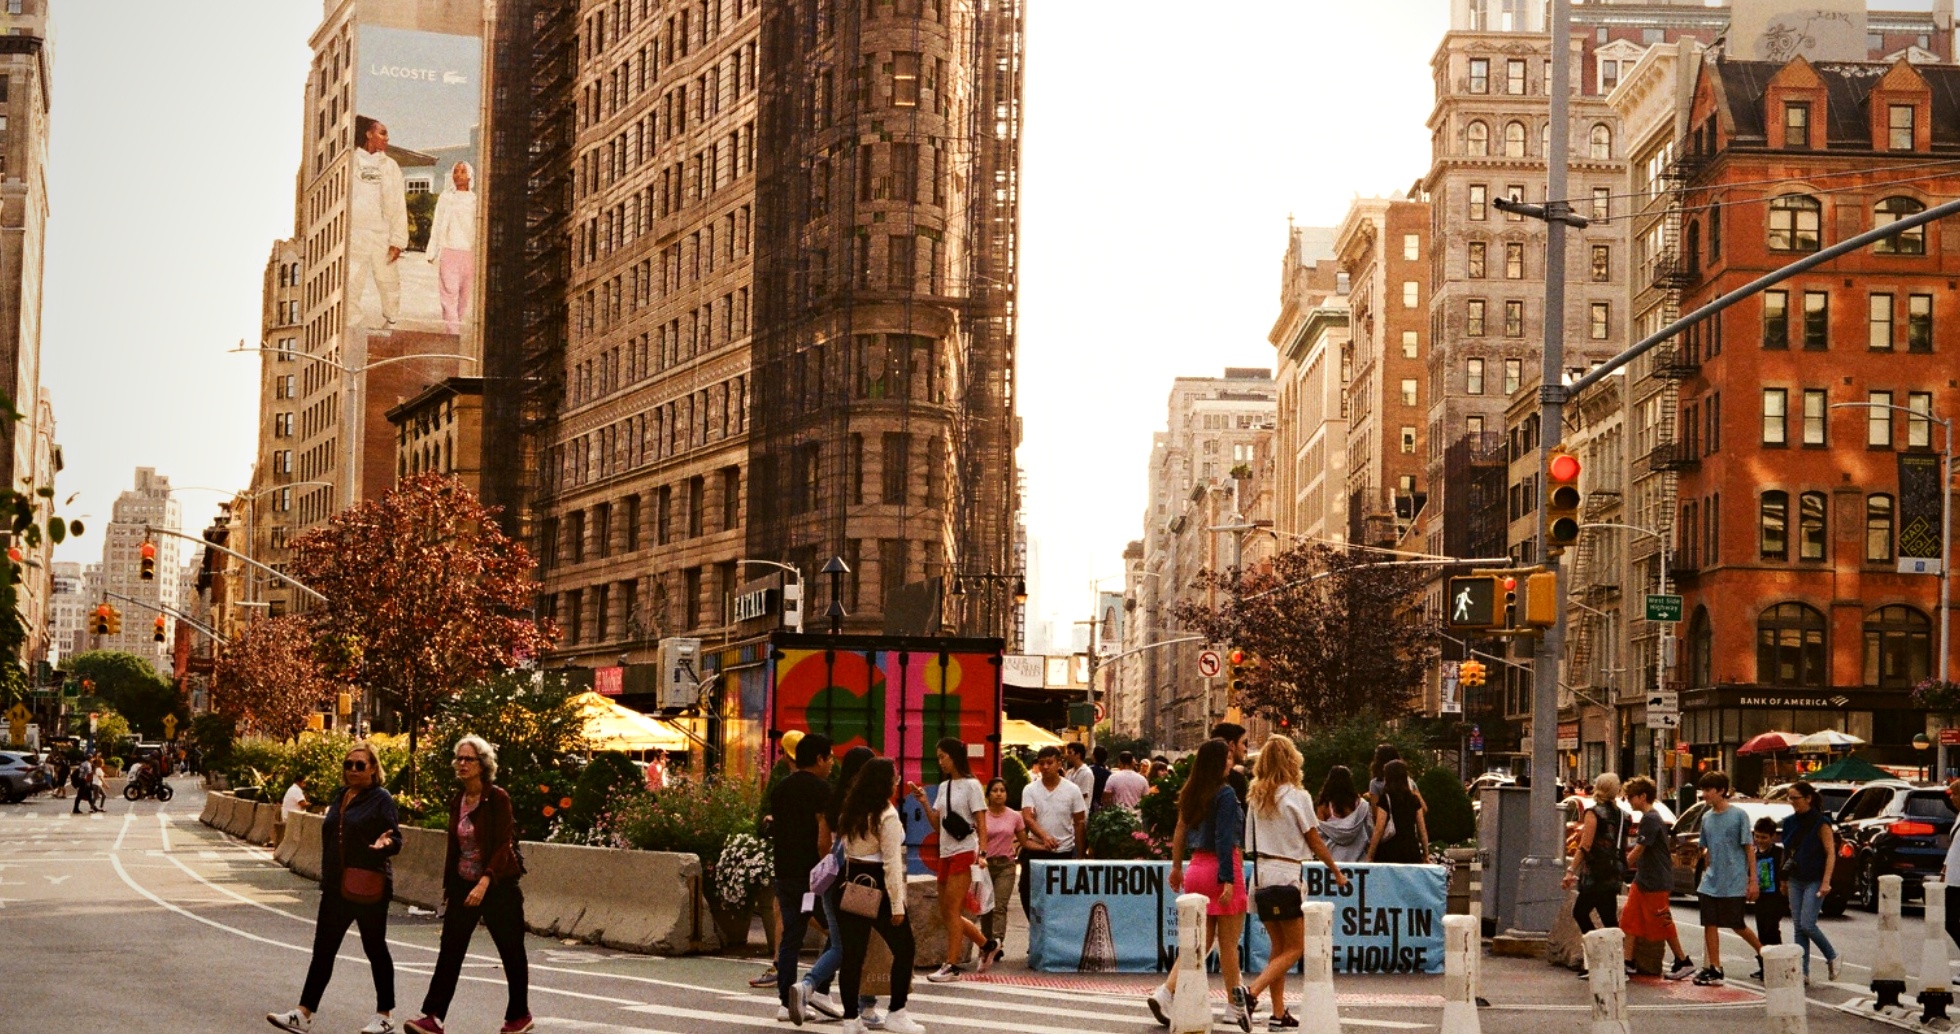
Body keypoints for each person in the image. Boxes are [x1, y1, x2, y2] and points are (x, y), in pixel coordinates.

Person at [268, 742, 403, 1034]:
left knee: (375, 948)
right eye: (348, 764)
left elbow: (397, 839)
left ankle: (385, 1014)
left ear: (373, 769)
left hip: (369, 884)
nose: (352, 770)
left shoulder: (381, 799)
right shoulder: (341, 795)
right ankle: (303, 1013)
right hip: (335, 886)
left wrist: (385, 845)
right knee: (323, 950)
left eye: (360, 765)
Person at [405, 737, 532, 1034]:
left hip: (498, 884)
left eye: (468, 759)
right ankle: (433, 1017)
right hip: (464, 883)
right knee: (450, 949)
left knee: (511, 950)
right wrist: (451, 889)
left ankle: (519, 1015)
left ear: (482, 765)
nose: (461, 764)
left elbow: (503, 845)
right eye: (459, 759)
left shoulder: (498, 798)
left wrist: (485, 881)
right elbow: (456, 848)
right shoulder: (458, 800)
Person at [1243, 736, 1348, 1030]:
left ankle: (1278, 1014)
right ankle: (1250, 994)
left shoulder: (1256, 796)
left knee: (1279, 947)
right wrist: (1336, 872)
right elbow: (1314, 839)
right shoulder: (1297, 796)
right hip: (1286, 873)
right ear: (1292, 761)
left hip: (1261, 874)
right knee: (1297, 946)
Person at [1150, 740, 1251, 1032]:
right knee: (1229, 944)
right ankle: (1234, 1004)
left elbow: (1180, 829)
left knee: (1199, 942)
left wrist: (1176, 867)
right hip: (1223, 867)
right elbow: (1223, 837)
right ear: (1220, 762)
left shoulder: (1191, 791)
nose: (1231, 762)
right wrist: (1228, 878)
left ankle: (1166, 992)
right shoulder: (1227, 793)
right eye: (1228, 757)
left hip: (1195, 869)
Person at [835, 757, 926, 1034]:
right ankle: (896, 1012)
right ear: (885, 783)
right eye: (895, 777)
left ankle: (851, 1019)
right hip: (879, 886)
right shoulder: (886, 814)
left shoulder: (850, 810)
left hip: (851, 883)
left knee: (852, 955)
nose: (897, 780)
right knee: (905, 948)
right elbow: (891, 863)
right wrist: (897, 904)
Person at [799, 746, 878, 1025]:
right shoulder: (864, 803)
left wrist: (830, 868)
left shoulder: (832, 799)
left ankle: (813, 987)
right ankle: (863, 1005)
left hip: (833, 880)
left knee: (838, 940)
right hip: (861, 882)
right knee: (861, 944)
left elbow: (823, 842)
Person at [911, 737, 996, 981]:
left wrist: (982, 853)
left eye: (942, 757)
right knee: (946, 911)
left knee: (951, 909)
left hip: (965, 852)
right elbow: (937, 825)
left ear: (954, 757)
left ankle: (951, 965)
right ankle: (986, 945)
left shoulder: (972, 785)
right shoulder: (944, 787)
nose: (940, 762)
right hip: (946, 851)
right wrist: (925, 802)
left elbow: (981, 822)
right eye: (938, 757)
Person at [774, 734, 835, 1024]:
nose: (832, 764)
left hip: (784, 872)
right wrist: (828, 868)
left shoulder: (781, 788)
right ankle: (819, 988)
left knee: (791, 937)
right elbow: (824, 837)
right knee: (839, 933)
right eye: (830, 758)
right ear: (820, 759)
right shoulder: (823, 790)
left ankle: (786, 1003)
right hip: (813, 875)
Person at [1618, 775, 1694, 981]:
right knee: (1629, 918)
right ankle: (1627, 961)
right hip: (1644, 878)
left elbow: (1640, 849)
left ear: (1643, 796)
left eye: (1631, 796)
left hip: (1655, 879)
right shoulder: (1650, 818)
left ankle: (1683, 960)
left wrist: (1620, 867)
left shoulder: (1651, 818)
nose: (1628, 800)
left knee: (1662, 921)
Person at [1690, 771, 1761, 987]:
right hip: (1711, 880)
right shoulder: (1707, 817)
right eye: (1703, 790)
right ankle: (1715, 967)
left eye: (1708, 790)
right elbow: (1706, 847)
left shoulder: (1739, 815)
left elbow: (1749, 849)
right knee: (1709, 923)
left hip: (1734, 878)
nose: (1704, 795)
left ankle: (1764, 954)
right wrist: (1703, 860)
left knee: (1736, 924)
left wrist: (1752, 880)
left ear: (1721, 791)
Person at [1561, 772, 1627, 979]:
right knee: (1608, 918)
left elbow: (1586, 845)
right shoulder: (1624, 815)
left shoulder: (1593, 813)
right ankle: (1616, 964)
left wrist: (1571, 870)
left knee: (1581, 912)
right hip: (1613, 872)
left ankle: (1599, 960)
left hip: (1596, 872)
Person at [1019, 745, 1088, 931]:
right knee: (1026, 892)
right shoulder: (1030, 789)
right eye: (1041, 763)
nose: (1045, 767)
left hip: (1062, 852)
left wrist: (1081, 854)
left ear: (1059, 763)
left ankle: (1055, 935)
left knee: (1060, 899)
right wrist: (1044, 836)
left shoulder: (1072, 790)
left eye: (1050, 763)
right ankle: (1036, 930)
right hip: (1036, 850)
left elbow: (1079, 822)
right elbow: (1027, 817)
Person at [350, 115, 409, 329]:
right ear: (368, 134)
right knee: (351, 283)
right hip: (355, 234)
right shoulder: (350, 161)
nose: (387, 138)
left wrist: (398, 241)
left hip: (382, 236)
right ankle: (354, 325)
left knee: (388, 282)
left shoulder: (390, 166)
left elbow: (398, 204)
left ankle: (391, 321)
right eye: (382, 133)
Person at [1779, 779, 1840, 984]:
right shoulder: (1789, 822)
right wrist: (1783, 879)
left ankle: (1832, 955)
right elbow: (1786, 851)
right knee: (1798, 926)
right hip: (1796, 877)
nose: (1792, 801)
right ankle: (1803, 971)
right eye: (1790, 798)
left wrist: (1826, 881)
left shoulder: (1821, 822)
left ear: (1808, 798)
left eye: (1795, 798)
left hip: (1815, 878)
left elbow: (1831, 852)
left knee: (1807, 924)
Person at [425, 161, 477, 334]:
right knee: (449, 296)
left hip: (469, 254)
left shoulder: (476, 200)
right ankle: (453, 334)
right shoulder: (446, 198)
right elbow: (438, 224)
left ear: (470, 175)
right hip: (449, 251)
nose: (458, 175)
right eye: (455, 171)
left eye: (462, 171)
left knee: (463, 298)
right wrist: (432, 251)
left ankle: (454, 331)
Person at [978, 777, 1024, 948]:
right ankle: (986, 942)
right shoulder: (981, 815)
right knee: (986, 908)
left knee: (999, 905)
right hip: (985, 866)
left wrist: (1045, 843)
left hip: (1006, 865)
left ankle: (997, 942)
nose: (998, 794)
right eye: (995, 790)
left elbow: (1024, 841)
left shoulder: (1014, 816)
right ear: (988, 794)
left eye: (1002, 791)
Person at [1364, 759, 1427, 863]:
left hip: (1389, 850)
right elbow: (1422, 829)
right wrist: (1425, 854)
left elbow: (1379, 829)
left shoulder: (1386, 799)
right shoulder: (1414, 799)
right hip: (1411, 850)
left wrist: (1370, 855)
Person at [1750, 815, 1788, 978]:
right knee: (1761, 931)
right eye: (1757, 836)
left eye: (1764, 837)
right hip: (1761, 897)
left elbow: (1785, 870)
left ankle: (1777, 964)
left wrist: (1784, 885)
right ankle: (1764, 965)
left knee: (1771, 929)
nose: (1760, 840)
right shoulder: (1753, 854)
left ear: (1773, 836)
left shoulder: (1779, 853)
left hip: (1776, 897)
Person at [1315, 766, 1373, 864]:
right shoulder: (1361, 805)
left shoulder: (1324, 806)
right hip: (1359, 860)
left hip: (1332, 861)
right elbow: (1370, 830)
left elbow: (1319, 835)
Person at [1212, 722, 1250, 804]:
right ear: (1232, 745)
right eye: (1243, 743)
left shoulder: (1197, 777)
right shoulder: (1236, 780)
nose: (1245, 749)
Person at [1062, 742, 1096, 807]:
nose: (1067, 755)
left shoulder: (1086, 773)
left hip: (1080, 812)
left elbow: (1083, 795)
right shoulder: (1069, 772)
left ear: (1078, 754)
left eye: (1070, 753)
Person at [1088, 746, 1113, 814]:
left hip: (1089, 805)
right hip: (1102, 807)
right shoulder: (1109, 773)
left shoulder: (1088, 770)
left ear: (1093, 756)